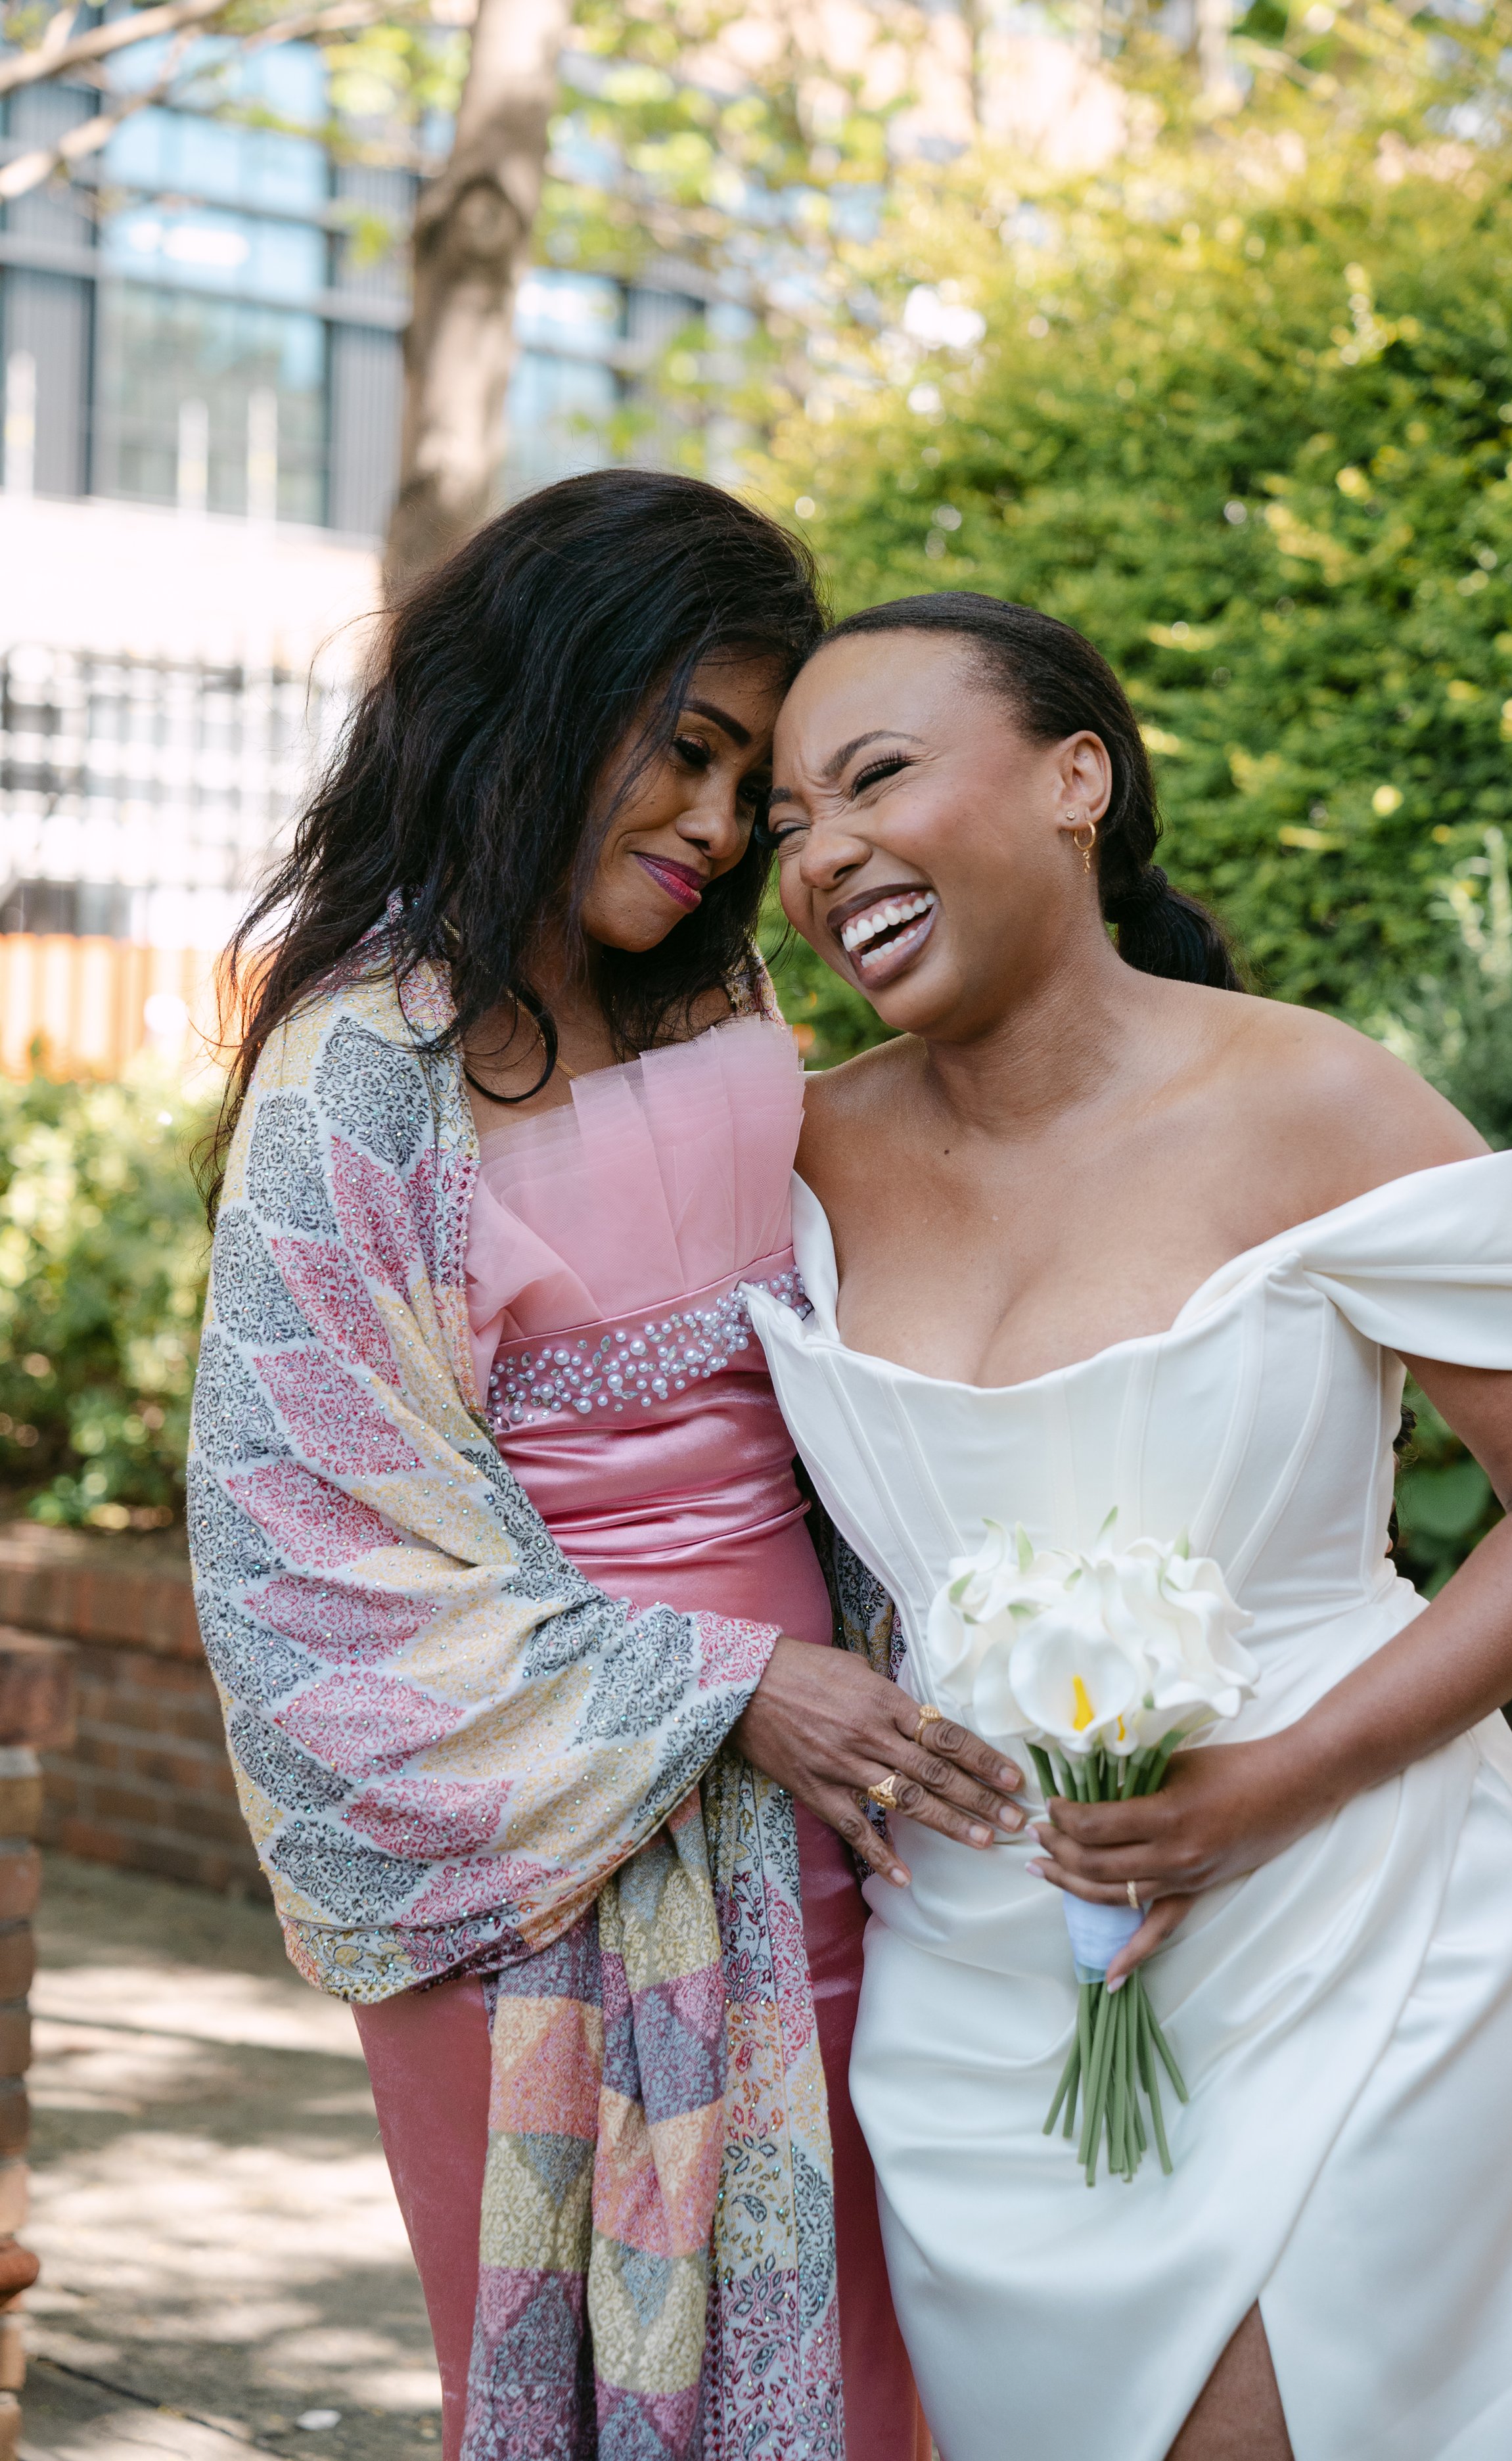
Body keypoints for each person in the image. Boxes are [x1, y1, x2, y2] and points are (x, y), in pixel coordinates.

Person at [739, 587, 1512, 2461]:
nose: (821, 855)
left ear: (1079, 776)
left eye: (874, 779)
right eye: (783, 823)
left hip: (1352, 1892)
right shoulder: (784, 1147)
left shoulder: (1314, 1098)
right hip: (979, 1944)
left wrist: (1267, 1781)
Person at [188, 481, 1023, 2461]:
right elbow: (299, 1549)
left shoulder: (715, 991)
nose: (723, 827)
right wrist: (730, 1688)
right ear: (545, 699)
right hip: (543, 1847)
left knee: (874, 2362)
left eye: (753, 780)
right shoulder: (364, 1065)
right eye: (690, 749)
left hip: (846, 1800)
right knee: (583, 2386)